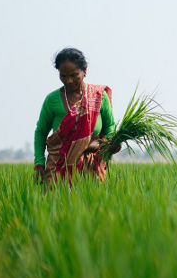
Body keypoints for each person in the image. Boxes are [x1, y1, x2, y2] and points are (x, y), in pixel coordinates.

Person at [34, 48, 120, 184]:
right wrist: (39, 164)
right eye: (63, 76)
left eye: (74, 75)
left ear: (84, 70)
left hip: (92, 165)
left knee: (93, 204)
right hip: (58, 164)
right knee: (56, 203)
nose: (68, 80)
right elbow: (41, 132)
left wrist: (111, 142)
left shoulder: (98, 97)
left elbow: (109, 125)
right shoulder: (52, 100)